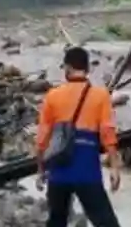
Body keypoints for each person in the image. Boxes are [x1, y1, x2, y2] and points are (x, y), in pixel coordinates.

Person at [35, 45, 122, 227]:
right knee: (106, 222)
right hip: (87, 169)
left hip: (59, 169)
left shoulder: (53, 96)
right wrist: (114, 167)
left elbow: (43, 137)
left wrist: (41, 169)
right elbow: (108, 133)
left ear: (67, 67)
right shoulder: (100, 95)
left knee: (57, 221)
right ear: (88, 68)